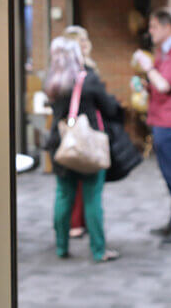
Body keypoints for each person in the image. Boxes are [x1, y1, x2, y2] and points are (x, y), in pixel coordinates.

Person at [44, 37, 121, 263]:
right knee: (92, 197)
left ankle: (61, 247)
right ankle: (98, 250)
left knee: (63, 195)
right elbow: (109, 107)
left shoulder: (51, 82)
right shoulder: (88, 80)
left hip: (60, 145)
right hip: (87, 145)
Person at [132, 8, 171, 245]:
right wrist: (145, 84)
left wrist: (148, 67)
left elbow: (165, 85)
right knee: (170, 176)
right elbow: (158, 83)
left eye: (153, 27)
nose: (150, 32)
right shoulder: (165, 51)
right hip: (161, 118)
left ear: (167, 27)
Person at [62, 25, 96, 239]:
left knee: (82, 182)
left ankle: (78, 223)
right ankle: (74, 224)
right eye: (80, 41)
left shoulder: (87, 67)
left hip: (83, 129)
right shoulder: (76, 71)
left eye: (86, 40)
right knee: (72, 183)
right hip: (76, 131)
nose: (85, 45)